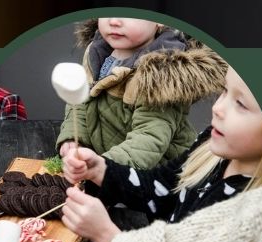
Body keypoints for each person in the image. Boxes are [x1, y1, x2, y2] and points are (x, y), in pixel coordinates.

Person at [61, 67, 262, 242]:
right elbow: (157, 190)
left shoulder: (253, 209)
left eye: (241, 104)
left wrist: (108, 237)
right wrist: (101, 170)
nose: (217, 108)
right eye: (224, 91)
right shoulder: (210, 148)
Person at [56, 18, 225, 169]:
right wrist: (73, 138)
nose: (114, 20)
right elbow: (80, 102)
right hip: (113, 167)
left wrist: (105, 168)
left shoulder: (160, 74)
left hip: (157, 180)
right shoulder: (97, 52)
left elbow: (148, 139)